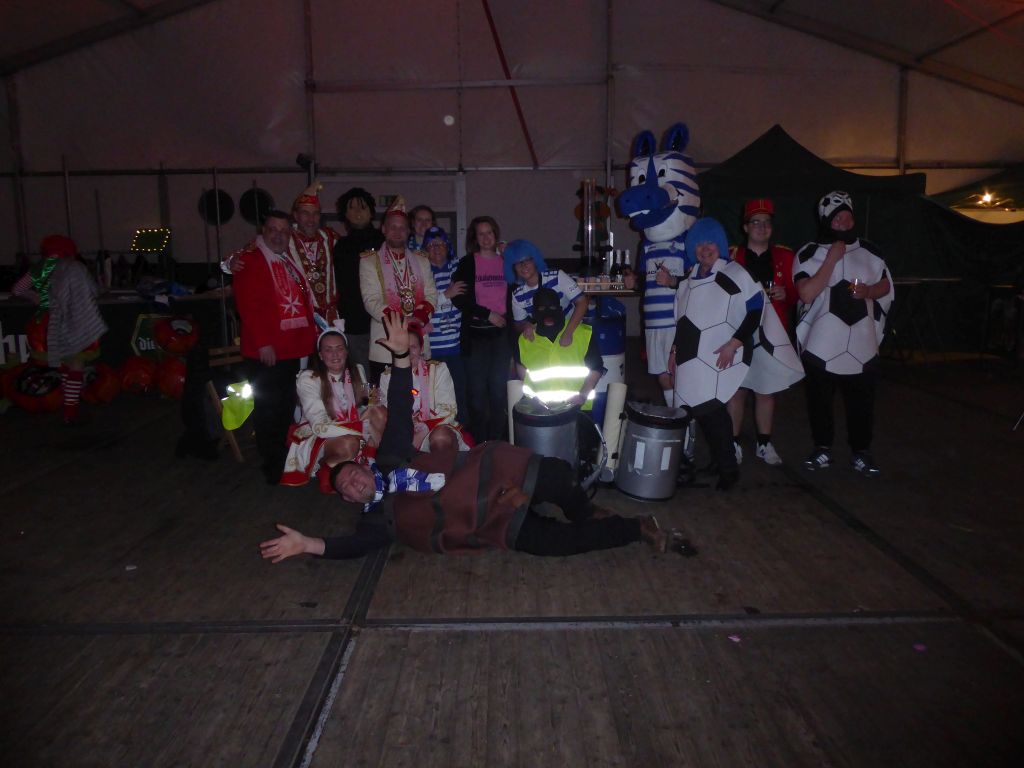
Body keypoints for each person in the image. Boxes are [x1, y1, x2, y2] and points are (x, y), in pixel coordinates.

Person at [259, 312, 669, 563]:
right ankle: (637, 528)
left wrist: (401, 358)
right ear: (350, 500)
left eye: (352, 474)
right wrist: (308, 544)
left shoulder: (390, 459)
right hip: (489, 521)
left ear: (365, 467)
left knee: (559, 478)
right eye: (348, 488)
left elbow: (399, 407)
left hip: (494, 474)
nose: (355, 482)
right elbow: (348, 548)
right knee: (555, 544)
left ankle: (584, 510)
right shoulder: (377, 521)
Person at [794, 191, 893, 477]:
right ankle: (822, 448)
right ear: (826, 221)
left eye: (847, 216)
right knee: (820, 402)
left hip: (862, 343)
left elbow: (886, 286)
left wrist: (869, 291)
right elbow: (806, 293)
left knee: (862, 403)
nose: (842, 222)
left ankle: (861, 452)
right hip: (821, 345)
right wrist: (831, 260)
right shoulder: (809, 252)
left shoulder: (871, 251)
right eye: (836, 218)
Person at [669, 218, 764, 491]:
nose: (704, 249)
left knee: (713, 412)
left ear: (720, 244)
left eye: (710, 242)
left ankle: (728, 470)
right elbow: (682, 318)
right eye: (699, 244)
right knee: (699, 411)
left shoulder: (735, 272)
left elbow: (756, 308)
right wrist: (675, 350)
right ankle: (716, 462)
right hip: (691, 358)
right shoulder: (689, 278)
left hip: (721, 354)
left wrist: (735, 343)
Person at [232, 210, 317, 484]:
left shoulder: (286, 259)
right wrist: (263, 343)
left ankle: (283, 457)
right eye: (273, 229)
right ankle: (273, 464)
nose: (278, 235)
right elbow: (248, 305)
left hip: (291, 348)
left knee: (284, 407)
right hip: (268, 350)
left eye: (283, 230)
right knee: (269, 409)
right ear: (263, 231)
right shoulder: (250, 260)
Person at [727, 198, 800, 465]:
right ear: (745, 227)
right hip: (738, 329)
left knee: (766, 390)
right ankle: (733, 443)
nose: (761, 227)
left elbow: (798, 294)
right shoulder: (731, 256)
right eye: (755, 222)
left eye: (766, 222)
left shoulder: (786, 256)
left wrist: (786, 294)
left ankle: (764, 443)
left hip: (772, 331)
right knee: (736, 389)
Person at [11, 235, 107, 424]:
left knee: (63, 364)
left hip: (49, 322)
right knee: (75, 364)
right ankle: (70, 411)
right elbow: (94, 291)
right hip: (76, 320)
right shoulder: (76, 267)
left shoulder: (42, 267)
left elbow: (17, 289)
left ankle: (66, 404)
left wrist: (36, 297)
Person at [280, 325, 385, 491]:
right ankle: (327, 468)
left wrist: (374, 400)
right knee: (349, 443)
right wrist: (363, 428)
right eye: (328, 350)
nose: (335, 354)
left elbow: (370, 397)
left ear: (346, 351)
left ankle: (371, 461)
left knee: (380, 412)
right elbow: (319, 426)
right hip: (319, 431)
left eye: (339, 348)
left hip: (353, 424)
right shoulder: (308, 378)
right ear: (321, 355)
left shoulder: (357, 369)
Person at [359, 196, 437, 385]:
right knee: (382, 398)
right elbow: (371, 301)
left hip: (419, 342)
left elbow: (431, 295)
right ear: (383, 229)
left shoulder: (421, 260)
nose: (397, 232)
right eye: (392, 227)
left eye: (402, 228)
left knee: (420, 395)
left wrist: (418, 318)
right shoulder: (369, 261)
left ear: (408, 231)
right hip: (385, 347)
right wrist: (402, 321)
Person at [451, 216, 510, 441]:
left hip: (501, 335)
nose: (486, 238)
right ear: (475, 238)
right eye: (481, 233)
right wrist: (487, 314)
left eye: (489, 233)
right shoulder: (467, 263)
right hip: (476, 334)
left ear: (496, 235)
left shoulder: (506, 260)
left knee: (498, 392)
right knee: (476, 395)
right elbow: (459, 298)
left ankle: (497, 442)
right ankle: (479, 442)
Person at [379, 325, 469, 452]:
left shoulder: (438, 370)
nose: (408, 352)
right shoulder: (387, 376)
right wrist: (410, 427)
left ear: (421, 349)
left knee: (440, 437)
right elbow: (389, 410)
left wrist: (424, 427)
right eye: (404, 346)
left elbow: (448, 408)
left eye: (413, 347)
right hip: (403, 429)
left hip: (435, 427)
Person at [513, 287, 604, 410]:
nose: (548, 313)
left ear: (560, 309)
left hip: (578, 409)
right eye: (541, 309)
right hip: (540, 411)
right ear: (534, 313)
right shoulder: (524, 340)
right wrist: (535, 401)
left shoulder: (582, 334)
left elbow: (596, 368)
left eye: (552, 308)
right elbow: (522, 374)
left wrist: (582, 396)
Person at [333, 187, 383, 373]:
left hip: (382, 320)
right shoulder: (340, 246)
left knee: (385, 374)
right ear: (345, 214)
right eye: (352, 208)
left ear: (371, 211)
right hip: (354, 323)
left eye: (362, 207)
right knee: (360, 376)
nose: (358, 212)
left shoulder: (384, 241)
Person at [421, 226, 468, 424]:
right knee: (435, 395)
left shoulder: (457, 267)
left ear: (447, 246)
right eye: (431, 245)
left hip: (456, 346)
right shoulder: (422, 273)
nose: (436, 248)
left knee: (460, 393)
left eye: (440, 244)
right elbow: (419, 304)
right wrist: (446, 295)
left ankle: (462, 432)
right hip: (432, 347)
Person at [503, 239, 587, 345]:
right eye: (518, 263)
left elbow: (582, 302)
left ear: (535, 260)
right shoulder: (517, 295)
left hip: (573, 331)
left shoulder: (557, 276)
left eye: (527, 260)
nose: (523, 266)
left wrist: (568, 332)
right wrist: (525, 326)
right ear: (513, 268)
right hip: (544, 340)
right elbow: (519, 323)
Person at [289, 181, 339, 324]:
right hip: (300, 315)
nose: (311, 219)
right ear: (296, 215)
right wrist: (232, 262)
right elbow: (254, 250)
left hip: (330, 317)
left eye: (315, 213)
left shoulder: (330, 237)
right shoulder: (284, 239)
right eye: (305, 213)